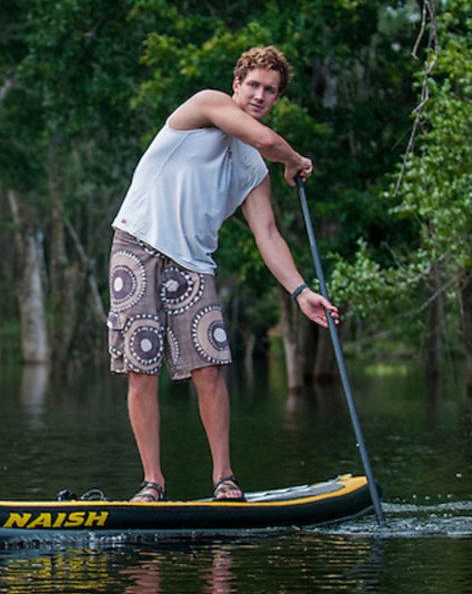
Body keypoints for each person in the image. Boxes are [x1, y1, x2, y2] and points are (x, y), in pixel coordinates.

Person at [107, 45, 339, 503]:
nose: (258, 95)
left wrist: (300, 291)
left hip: (194, 264)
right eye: (252, 85)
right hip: (138, 245)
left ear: (277, 100)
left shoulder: (252, 167)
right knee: (141, 370)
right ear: (236, 85)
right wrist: (294, 161)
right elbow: (271, 143)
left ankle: (225, 480)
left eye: (269, 91)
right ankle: (152, 484)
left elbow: (268, 235)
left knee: (209, 370)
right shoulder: (206, 105)